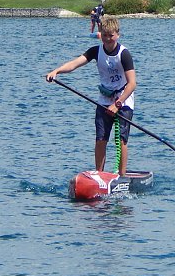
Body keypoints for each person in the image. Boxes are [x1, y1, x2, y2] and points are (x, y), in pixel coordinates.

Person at [46, 15, 136, 177]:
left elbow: (132, 84)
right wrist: (56, 71)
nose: (108, 39)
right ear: (100, 33)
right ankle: (99, 176)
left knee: (121, 139)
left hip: (123, 99)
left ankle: (122, 178)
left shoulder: (124, 54)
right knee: (101, 139)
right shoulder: (96, 51)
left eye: (111, 35)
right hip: (104, 98)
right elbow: (74, 64)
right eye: (105, 35)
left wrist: (118, 104)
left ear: (118, 35)